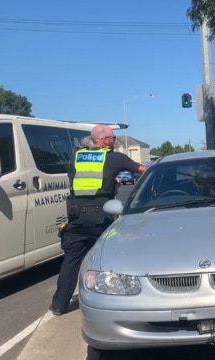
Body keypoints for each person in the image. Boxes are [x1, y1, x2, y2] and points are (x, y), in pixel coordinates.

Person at [50, 125, 147, 316]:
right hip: (101, 218)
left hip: (76, 218)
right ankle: (113, 303)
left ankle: (59, 305)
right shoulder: (115, 157)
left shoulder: (78, 157)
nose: (115, 139)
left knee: (70, 262)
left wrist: (110, 180)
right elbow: (143, 169)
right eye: (113, 137)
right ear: (104, 140)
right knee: (108, 259)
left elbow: (82, 180)